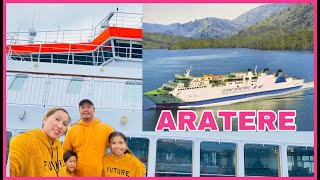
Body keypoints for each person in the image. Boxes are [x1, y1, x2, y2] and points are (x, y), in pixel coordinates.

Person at [10, 107, 71, 177]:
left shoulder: (59, 148)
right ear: (45, 119)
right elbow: (10, 167)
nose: (60, 126)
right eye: (57, 119)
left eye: (65, 124)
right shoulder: (23, 141)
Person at [62, 99, 114, 176]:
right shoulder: (72, 130)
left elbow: (118, 148)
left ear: (94, 110)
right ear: (79, 110)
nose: (85, 110)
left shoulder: (107, 129)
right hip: (76, 174)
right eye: (82, 107)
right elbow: (64, 152)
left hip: (100, 174)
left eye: (89, 107)